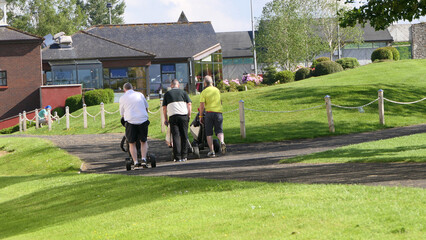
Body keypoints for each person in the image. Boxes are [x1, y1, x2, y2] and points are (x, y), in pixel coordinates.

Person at [119, 82, 150, 167]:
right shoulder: (140, 94)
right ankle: (144, 159)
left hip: (131, 121)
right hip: (142, 119)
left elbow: (122, 113)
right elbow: (146, 107)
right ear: (132, 88)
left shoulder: (122, 98)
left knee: (131, 143)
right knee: (143, 140)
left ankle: (135, 162)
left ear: (124, 90)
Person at [162, 79, 192, 162]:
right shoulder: (183, 93)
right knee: (184, 135)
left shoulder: (167, 94)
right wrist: (189, 115)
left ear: (171, 85)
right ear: (178, 85)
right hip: (183, 115)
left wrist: (165, 119)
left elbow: (164, 108)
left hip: (173, 116)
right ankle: (184, 156)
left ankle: (177, 156)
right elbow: (189, 104)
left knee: (176, 136)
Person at [199, 76, 226, 157]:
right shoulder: (217, 90)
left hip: (209, 113)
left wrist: (200, 116)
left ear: (205, 83)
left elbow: (202, 105)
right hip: (218, 112)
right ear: (212, 82)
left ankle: (212, 151)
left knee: (209, 133)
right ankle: (222, 141)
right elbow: (220, 101)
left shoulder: (204, 92)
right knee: (219, 131)